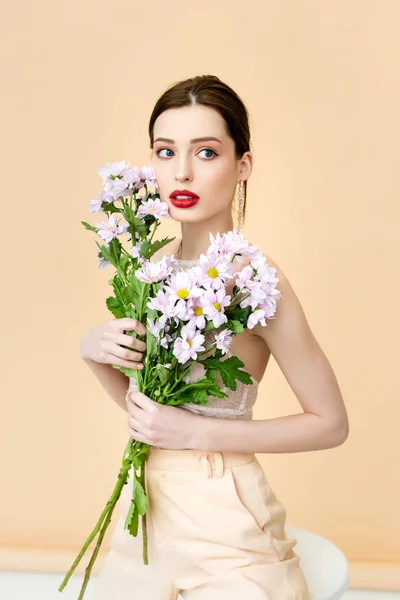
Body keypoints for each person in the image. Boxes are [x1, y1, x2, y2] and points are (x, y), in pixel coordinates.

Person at [81, 75, 349, 599]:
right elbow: (153, 416)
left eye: (206, 151)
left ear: (242, 165)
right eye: (165, 151)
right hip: (146, 521)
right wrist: (95, 355)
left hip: (224, 522)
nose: (181, 171)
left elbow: (330, 423)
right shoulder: (155, 267)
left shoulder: (255, 281)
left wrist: (198, 435)